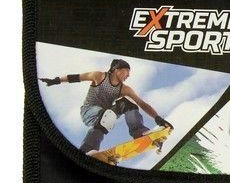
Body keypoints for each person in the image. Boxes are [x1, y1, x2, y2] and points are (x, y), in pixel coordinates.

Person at [40, 58, 173, 154]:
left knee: (128, 103)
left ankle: (139, 132)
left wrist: (158, 118)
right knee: (106, 115)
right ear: (116, 69)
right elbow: (76, 77)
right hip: (88, 112)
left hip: (105, 114)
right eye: (126, 72)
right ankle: (88, 148)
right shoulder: (99, 76)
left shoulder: (125, 89)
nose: (128, 75)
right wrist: (56, 80)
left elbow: (142, 104)